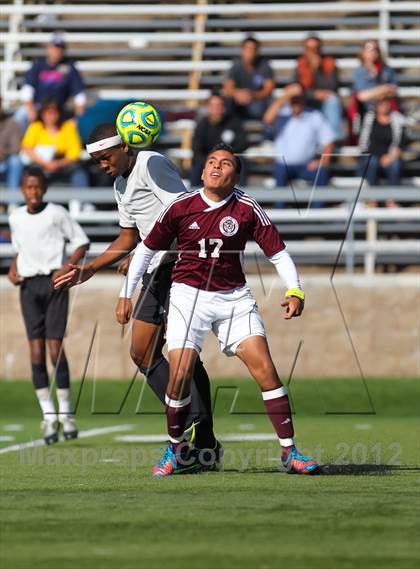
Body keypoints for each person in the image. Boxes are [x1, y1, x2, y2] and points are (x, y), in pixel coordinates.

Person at [116, 143, 320, 477]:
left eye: (225, 163)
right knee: (180, 371)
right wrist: (127, 294)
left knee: (266, 370)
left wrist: (295, 289)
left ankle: (290, 452)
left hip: (233, 298)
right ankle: (176, 449)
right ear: (202, 171)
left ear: (235, 175)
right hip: (188, 297)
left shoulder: (247, 207)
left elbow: (278, 253)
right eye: (211, 161)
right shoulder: (181, 207)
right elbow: (146, 250)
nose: (216, 167)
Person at [53, 124, 220, 471]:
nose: (102, 165)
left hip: (183, 266)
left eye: (105, 158)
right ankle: (194, 423)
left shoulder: (151, 163)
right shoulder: (120, 183)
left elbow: (186, 213)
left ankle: (199, 434)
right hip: (155, 270)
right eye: (96, 161)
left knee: (183, 355)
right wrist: (90, 269)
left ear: (124, 147)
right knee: (141, 352)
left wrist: (148, 248)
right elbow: (127, 237)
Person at [8, 166, 89, 444]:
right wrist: (13, 267)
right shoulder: (15, 217)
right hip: (29, 287)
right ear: (22, 189)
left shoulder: (56, 213)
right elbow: (21, 250)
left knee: (55, 348)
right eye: (29, 187)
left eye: (38, 187)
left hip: (55, 285)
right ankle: (49, 417)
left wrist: (68, 265)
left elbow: (81, 242)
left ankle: (66, 414)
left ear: (44, 188)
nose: (34, 192)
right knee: (35, 350)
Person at [263, 90, 335, 203]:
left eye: (298, 100)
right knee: (279, 174)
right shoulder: (282, 114)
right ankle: (279, 214)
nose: (295, 104)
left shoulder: (314, 116)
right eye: (293, 100)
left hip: (306, 165)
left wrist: (322, 161)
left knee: (321, 172)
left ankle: (318, 215)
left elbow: (329, 141)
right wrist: (286, 95)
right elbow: (267, 119)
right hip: (283, 165)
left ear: (303, 100)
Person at [16, 33, 86, 129]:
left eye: (59, 48)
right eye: (54, 47)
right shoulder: (38, 65)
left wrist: (77, 118)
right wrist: (31, 110)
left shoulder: (70, 68)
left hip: (58, 109)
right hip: (38, 106)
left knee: (76, 123)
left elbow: (80, 96)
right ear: (48, 48)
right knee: (20, 116)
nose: (56, 51)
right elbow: (27, 90)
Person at [21, 98, 89, 187]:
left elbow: (74, 152)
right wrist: (45, 163)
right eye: (47, 113)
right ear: (42, 114)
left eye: (53, 113)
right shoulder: (36, 127)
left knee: (79, 172)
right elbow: (27, 148)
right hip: (39, 163)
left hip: (63, 164)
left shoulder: (68, 127)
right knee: (31, 173)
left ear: (59, 113)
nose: (50, 116)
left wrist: (58, 163)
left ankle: (81, 199)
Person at [291, 35, 342, 141]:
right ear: (305, 50)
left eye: (316, 48)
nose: (313, 52)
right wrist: (313, 94)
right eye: (310, 49)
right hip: (305, 100)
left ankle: (333, 139)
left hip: (324, 102)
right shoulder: (300, 64)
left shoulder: (329, 63)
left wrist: (318, 71)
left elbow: (332, 87)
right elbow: (296, 88)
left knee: (333, 99)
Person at [191, 93, 248, 187]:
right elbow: (197, 149)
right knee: (196, 165)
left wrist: (224, 157)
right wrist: (211, 161)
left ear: (224, 107)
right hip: (207, 161)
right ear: (208, 108)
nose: (216, 108)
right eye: (213, 105)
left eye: (219, 105)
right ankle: (195, 195)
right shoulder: (202, 125)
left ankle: (241, 194)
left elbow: (242, 144)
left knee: (241, 160)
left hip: (228, 160)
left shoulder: (234, 122)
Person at [358, 96, 406, 207]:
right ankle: (374, 198)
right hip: (371, 157)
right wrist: (381, 157)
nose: (384, 105)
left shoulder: (397, 119)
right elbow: (364, 146)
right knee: (372, 162)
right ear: (376, 105)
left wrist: (390, 157)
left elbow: (401, 143)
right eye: (380, 102)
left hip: (390, 158)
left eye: (386, 102)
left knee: (395, 164)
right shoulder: (368, 119)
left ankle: (392, 200)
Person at [349, 40, 399, 138]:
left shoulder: (387, 70)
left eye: (375, 49)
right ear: (362, 52)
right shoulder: (359, 71)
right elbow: (362, 96)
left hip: (387, 112)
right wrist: (384, 88)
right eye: (368, 49)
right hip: (366, 112)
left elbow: (394, 90)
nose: (372, 52)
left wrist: (373, 93)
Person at [223, 36, 275, 120]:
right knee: (226, 102)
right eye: (247, 49)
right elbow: (228, 87)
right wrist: (237, 94)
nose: (250, 52)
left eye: (253, 49)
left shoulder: (264, 66)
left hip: (257, 102)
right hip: (239, 102)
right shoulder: (236, 66)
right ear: (242, 50)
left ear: (257, 51)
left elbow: (268, 89)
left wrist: (252, 95)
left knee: (265, 105)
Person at [0, 98, 23, 189]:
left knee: (15, 161)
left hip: (4, 163)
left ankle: (13, 201)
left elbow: (15, 149)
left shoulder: (12, 123)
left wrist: (1, 153)